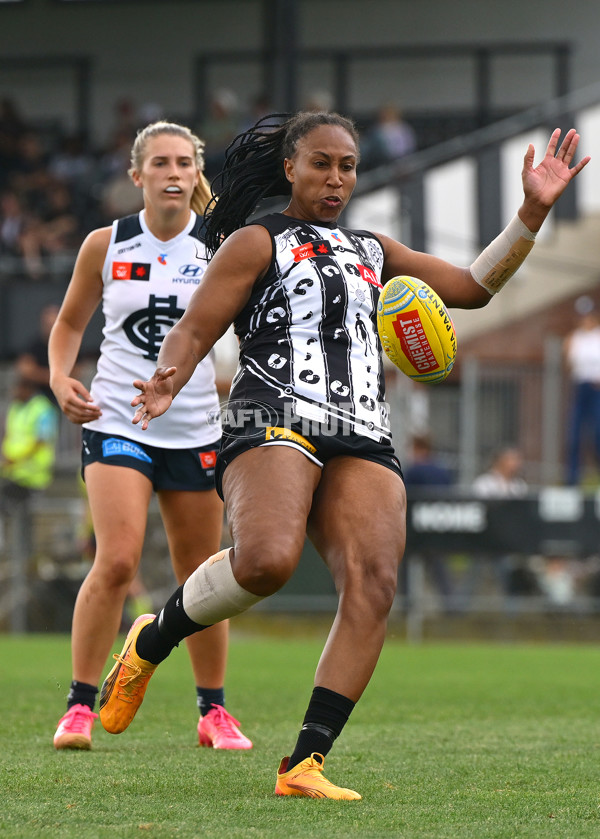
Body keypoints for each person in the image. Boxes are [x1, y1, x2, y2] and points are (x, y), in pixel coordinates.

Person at [98, 112, 588, 799]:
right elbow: (195, 326)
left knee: (376, 582)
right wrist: (167, 377)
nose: (336, 178)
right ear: (290, 169)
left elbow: (474, 287)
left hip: (360, 426)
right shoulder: (254, 241)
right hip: (269, 413)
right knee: (268, 560)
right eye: (321, 163)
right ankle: (153, 639)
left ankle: (305, 762)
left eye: (348, 166)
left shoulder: (373, 247)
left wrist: (531, 214)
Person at [48, 121, 251, 752]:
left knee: (203, 574)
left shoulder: (225, 247)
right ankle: (81, 706)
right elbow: (68, 324)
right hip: (115, 421)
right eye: (159, 163)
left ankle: (213, 712)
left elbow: (248, 336)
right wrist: (60, 378)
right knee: (117, 559)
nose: (172, 173)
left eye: (184, 163)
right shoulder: (103, 244)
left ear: (197, 175)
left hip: (195, 429)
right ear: (136, 176)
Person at [402, 433, 455, 610]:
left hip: (414, 529)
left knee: (406, 569)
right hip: (436, 528)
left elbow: (404, 495)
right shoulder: (442, 470)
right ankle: (451, 607)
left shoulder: (414, 470)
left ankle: (407, 607)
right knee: (439, 570)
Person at [563, 295, 600, 485]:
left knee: (597, 433)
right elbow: (568, 366)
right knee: (574, 434)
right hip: (580, 387)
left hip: (596, 390)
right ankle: (572, 480)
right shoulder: (574, 338)